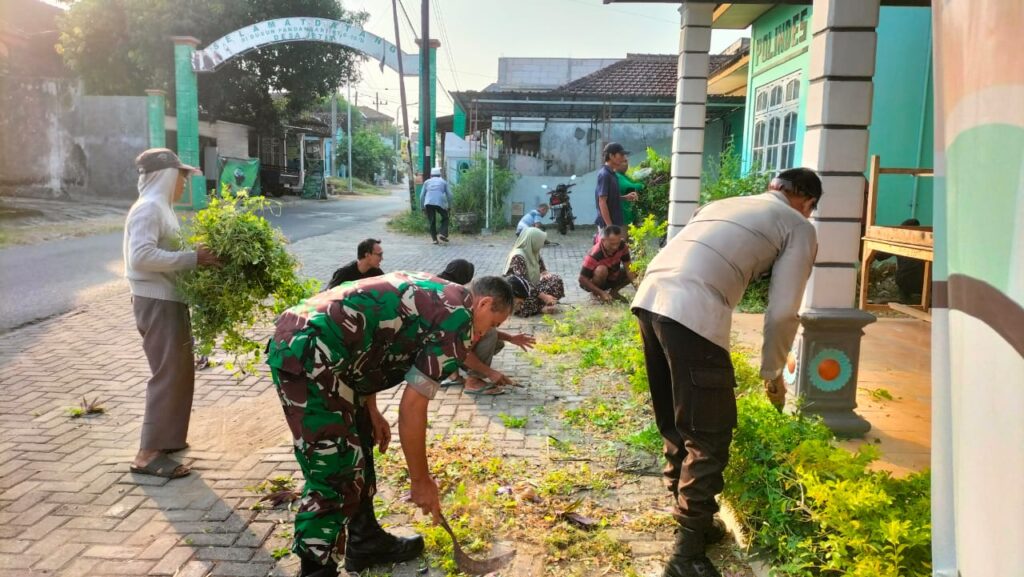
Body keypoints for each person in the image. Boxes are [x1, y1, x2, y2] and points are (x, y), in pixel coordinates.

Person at [631, 167, 821, 577]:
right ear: (807, 203)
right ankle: (686, 555)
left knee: (678, 420)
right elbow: (784, 309)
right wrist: (773, 371)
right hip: (692, 308)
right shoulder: (798, 225)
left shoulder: (726, 204)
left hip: (650, 298)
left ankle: (692, 520)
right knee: (708, 432)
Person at [267, 273, 515, 576]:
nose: (485, 334)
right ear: (484, 303)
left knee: (360, 440)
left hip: (327, 351)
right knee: (333, 470)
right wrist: (420, 481)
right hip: (311, 354)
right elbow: (412, 408)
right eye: (493, 323)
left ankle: (365, 540)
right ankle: (316, 571)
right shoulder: (457, 321)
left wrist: (371, 410)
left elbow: (373, 339)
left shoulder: (442, 294)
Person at [124, 148, 220, 479]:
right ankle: (147, 454)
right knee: (168, 374)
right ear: (164, 176)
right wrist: (193, 258)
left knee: (179, 371)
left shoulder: (161, 208)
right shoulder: (149, 209)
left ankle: (167, 440)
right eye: (180, 177)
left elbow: (166, 254)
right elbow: (141, 257)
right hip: (157, 302)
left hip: (168, 299)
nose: (183, 184)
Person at [502, 227, 565, 317]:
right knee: (523, 302)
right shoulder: (518, 257)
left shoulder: (534, 252)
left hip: (532, 287)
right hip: (517, 292)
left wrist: (545, 274)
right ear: (533, 241)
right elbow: (523, 284)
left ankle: (547, 303)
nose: (542, 244)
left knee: (555, 280)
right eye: (540, 241)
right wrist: (544, 296)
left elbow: (543, 270)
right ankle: (541, 308)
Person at [579, 225, 635, 303]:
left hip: (613, 276)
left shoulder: (622, 246)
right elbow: (582, 279)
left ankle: (613, 293)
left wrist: (638, 288)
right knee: (601, 270)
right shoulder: (594, 254)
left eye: (617, 243)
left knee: (635, 270)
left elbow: (629, 268)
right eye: (612, 244)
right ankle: (595, 294)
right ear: (603, 240)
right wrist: (601, 293)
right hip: (596, 280)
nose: (615, 247)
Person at [595, 142, 638, 232]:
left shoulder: (612, 174)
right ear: (611, 156)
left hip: (615, 223)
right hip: (608, 226)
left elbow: (610, 198)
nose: (624, 158)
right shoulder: (604, 174)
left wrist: (625, 197)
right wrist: (610, 227)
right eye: (621, 155)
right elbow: (602, 202)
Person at [421, 167, 452, 245]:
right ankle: (442, 233)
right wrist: (449, 206)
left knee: (432, 221)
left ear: (431, 175)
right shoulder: (443, 182)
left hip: (428, 202)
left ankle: (434, 240)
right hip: (439, 202)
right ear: (440, 175)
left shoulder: (427, 182)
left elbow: (421, 196)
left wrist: (422, 207)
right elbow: (450, 195)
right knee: (445, 217)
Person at [617, 162, 644, 228]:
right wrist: (642, 185)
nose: (627, 164)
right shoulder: (618, 176)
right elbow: (629, 186)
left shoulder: (623, 176)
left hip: (627, 212)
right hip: (622, 215)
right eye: (624, 161)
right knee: (623, 236)